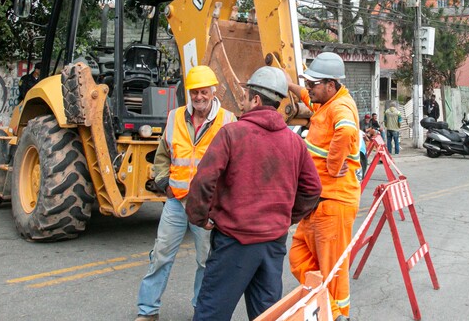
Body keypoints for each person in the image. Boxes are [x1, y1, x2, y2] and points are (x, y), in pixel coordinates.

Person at [185, 67, 322, 321]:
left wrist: (199, 217)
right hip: (273, 244)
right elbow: (313, 188)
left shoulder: (232, 134)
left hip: (234, 243)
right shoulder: (294, 142)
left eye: (246, 96)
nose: (243, 102)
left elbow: (203, 180)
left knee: (211, 313)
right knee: (267, 315)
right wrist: (286, 217)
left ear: (256, 99)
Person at [136, 65, 236, 321]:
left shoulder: (228, 121)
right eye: (194, 93)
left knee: (205, 262)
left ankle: (201, 311)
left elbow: (235, 166)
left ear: (214, 92)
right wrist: (164, 182)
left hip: (207, 207)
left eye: (203, 92)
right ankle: (147, 311)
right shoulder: (174, 117)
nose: (198, 97)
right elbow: (162, 155)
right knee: (160, 255)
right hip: (176, 203)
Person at [286, 52, 361, 321]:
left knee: (333, 271)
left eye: (313, 84)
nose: (309, 88)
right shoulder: (325, 102)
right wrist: (288, 84)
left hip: (333, 204)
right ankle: (326, 305)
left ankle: (339, 314)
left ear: (331, 84)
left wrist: (332, 164)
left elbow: (348, 130)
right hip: (317, 204)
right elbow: (306, 98)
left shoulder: (340, 108)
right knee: (298, 255)